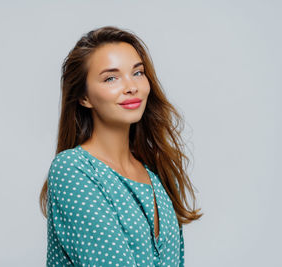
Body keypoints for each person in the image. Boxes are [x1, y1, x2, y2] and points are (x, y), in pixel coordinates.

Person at [39, 25, 203, 267]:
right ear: (84, 97)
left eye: (137, 73)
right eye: (111, 78)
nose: (131, 86)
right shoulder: (73, 170)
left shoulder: (157, 172)